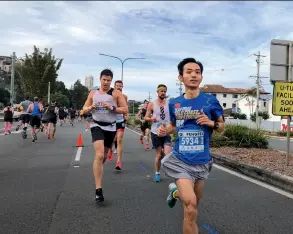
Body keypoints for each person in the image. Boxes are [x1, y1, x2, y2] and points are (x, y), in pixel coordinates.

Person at [158, 58, 225, 234]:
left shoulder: (211, 101)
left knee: (194, 207)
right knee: (190, 206)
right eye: (189, 72)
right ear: (181, 77)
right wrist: (165, 130)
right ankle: (179, 191)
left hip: (202, 161)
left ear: (201, 77)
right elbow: (173, 125)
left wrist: (211, 123)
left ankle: (175, 192)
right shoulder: (174, 103)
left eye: (197, 72)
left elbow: (221, 127)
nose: (193, 75)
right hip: (180, 159)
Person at [82, 69, 128, 202]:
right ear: (100, 79)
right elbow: (83, 110)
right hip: (96, 125)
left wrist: (112, 108)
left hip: (111, 127)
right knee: (100, 154)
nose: (106, 82)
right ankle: (98, 190)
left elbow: (125, 109)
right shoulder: (93, 93)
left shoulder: (116, 93)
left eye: (109, 80)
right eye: (104, 80)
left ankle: (97, 167)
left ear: (111, 81)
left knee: (103, 158)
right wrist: (90, 108)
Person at [144, 84, 172, 182]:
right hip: (155, 133)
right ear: (157, 92)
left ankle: (166, 167)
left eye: (165, 91)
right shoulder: (152, 104)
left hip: (166, 132)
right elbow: (146, 117)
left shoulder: (169, 103)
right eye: (161, 91)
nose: (163, 93)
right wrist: (152, 118)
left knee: (168, 153)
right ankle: (157, 173)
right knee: (159, 155)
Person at [108, 80, 128, 170]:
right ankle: (110, 150)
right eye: (117, 86)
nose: (119, 87)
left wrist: (125, 116)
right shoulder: (110, 96)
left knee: (119, 139)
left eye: (120, 86)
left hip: (120, 120)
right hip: (111, 121)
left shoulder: (124, 97)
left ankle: (119, 161)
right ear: (114, 86)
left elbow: (125, 108)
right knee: (112, 139)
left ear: (122, 87)